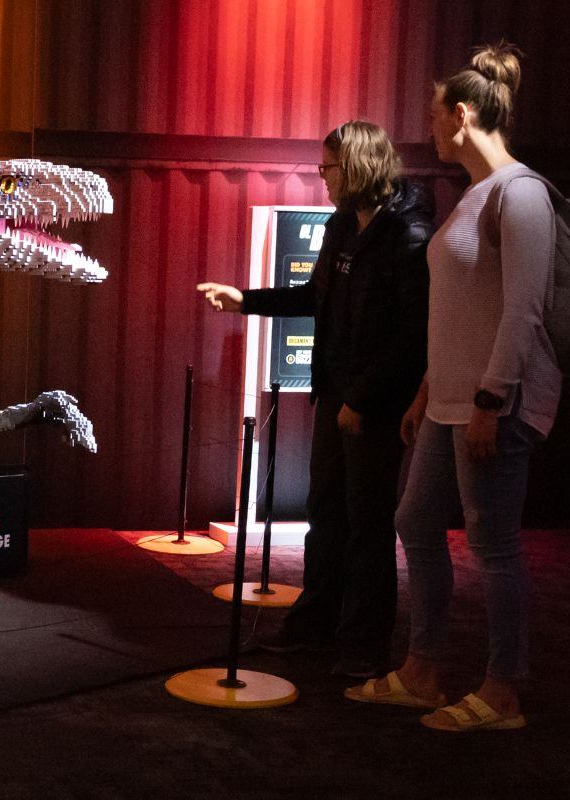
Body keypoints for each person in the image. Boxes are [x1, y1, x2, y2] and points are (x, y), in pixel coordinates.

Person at [344, 43, 559, 731]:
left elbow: (523, 311)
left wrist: (491, 401)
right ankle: (425, 668)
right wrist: (427, 389)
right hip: (447, 401)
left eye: (434, 116)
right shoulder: (474, 197)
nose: (429, 128)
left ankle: (503, 690)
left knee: (493, 543)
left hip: (493, 402)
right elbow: (463, 306)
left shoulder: (520, 194)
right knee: (413, 520)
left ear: (463, 114)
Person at [198, 120, 432, 678]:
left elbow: (411, 335)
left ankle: (364, 643)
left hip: (373, 404)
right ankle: (314, 628)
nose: (321, 177)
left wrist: (364, 398)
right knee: (325, 515)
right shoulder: (342, 226)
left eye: (327, 167)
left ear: (356, 166)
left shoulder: (407, 231)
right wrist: (244, 300)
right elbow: (313, 296)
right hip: (335, 396)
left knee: (368, 523)